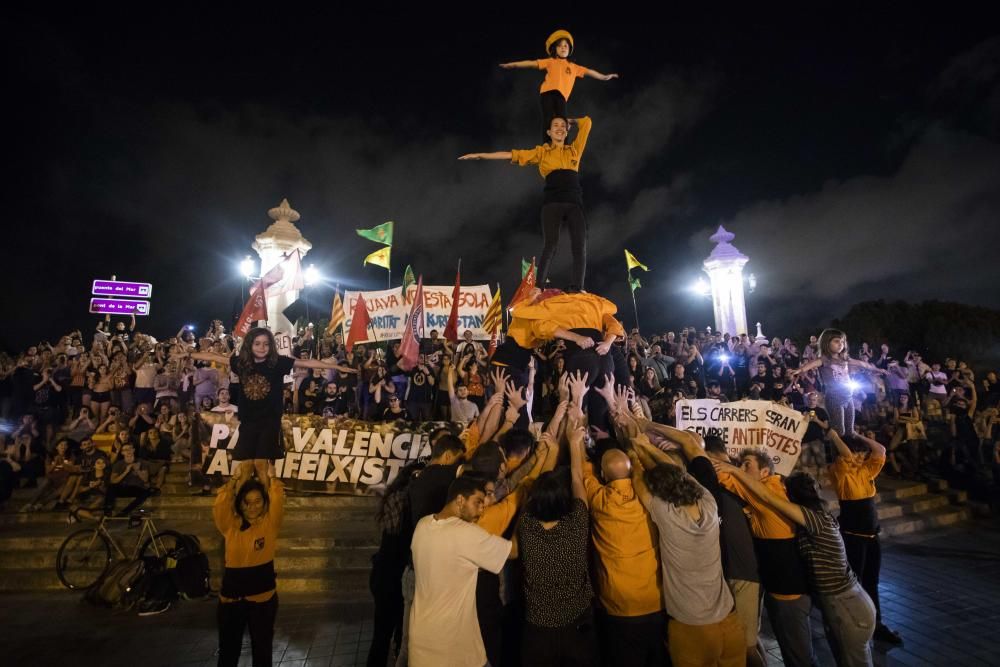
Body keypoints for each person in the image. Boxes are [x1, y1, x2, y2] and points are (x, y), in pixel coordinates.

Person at [717, 460, 877, 667]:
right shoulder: (819, 519)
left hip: (847, 606)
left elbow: (767, 497)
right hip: (846, 604)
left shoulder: (815, 520)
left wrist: (733, 470)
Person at [626, 415, 744, 667]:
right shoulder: (709, 502)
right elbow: (678, 472)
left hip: (692, 627)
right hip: (729, 619)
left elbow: (638, 479)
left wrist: (635, 451)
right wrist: (646, 445)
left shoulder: (665, 513)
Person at [182, 327, 356, 487]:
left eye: (266, 344)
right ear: (250, 345)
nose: (262, 347)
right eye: (257, 343)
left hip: (269, 421)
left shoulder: (278, 362)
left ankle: (266, 505)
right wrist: (189, 355)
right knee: (246, 466)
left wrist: (335, 366)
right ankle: (244, 504)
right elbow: (214, 357)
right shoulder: (242, 363)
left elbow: (308, 363)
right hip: (248, 421)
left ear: (271, 346)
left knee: (260, 463)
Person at [580, 380, 666, 667]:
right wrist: (621, 409)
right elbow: (636, 448)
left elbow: (579, 457)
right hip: (656, 600)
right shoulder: (648, 495)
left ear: (602, 475)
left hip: (617, 606)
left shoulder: (599, 500)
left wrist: (579, 403)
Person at [459, 115, 594, 289]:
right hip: (552, 203)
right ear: (549, 132)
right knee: (551, 245)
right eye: (555, 126)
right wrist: (480, 155)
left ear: (567, 130)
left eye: (562, 125)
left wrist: (571, 121)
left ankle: (578, 288)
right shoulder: (541, 152)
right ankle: (539, 287)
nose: (559, 128)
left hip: (575, 203)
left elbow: (587, 123)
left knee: (580, 245)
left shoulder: (574, 149)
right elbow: (511, 154)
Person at [408, 475, 512, 667]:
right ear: (460, 500)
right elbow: (510, 551)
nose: (482, 510)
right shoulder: (465, 533)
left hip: (421, 640)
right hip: (452, 646)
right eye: (478, 502)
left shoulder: (423, 525)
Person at [517, 418, 598, 667]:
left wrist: (551, 452)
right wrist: (574, 444)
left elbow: (532, 493)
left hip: (538, 628)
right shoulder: (576, 523)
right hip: (577, 622)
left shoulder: (527, 527)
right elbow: (576, 478)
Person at [826, 429, 903, 646]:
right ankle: (854, 624)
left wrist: (857, 434)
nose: (861, 456)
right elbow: (846, 456)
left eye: (861, 453)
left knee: (872, 581)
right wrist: (835, 437)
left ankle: (876, 623)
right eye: (857, 452)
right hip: (853, 538)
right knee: (854, 584)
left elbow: (880, 450)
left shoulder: (866, 471)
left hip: (871, 536)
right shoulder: (840, 471)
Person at [214, 463, 285, 667]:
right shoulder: (230, 526)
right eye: (246, 502)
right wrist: (234, 481)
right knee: (228, 653)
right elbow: (220, 505)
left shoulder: (270, 524)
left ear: (264, 503)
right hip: (231, 600)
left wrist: (272, 479)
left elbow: (278, 500)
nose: (252, 506)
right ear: (239, 504)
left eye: (257, 501)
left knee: (262, 653)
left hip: (263, 600)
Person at [499, 29, 618, 142]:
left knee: (562, 120)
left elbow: (590, 71)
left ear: (569, 49)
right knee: (548, 119)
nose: (563, 48)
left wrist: (604, 77)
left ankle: (564, 145)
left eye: (565, 46)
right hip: (547, 93)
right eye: (560, 46)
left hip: (561, 96)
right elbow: (531, 63)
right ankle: (546, 144)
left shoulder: (574, 67)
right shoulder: (550, 61)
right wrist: (513, 65)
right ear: (554, 49)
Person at [792, 329, 885, 436]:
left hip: (848, 397)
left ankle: (849, 450)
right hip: (834, 397)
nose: (840, 344)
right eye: (836, 341)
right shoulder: (825, 359)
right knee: (839, 431)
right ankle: (834, 449)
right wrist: (799, 370)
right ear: (827, 342)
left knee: (850, 430)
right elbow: (812, 364)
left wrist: (878, 370)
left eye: (842, 341)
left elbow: (862, 364)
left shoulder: (844, 359)